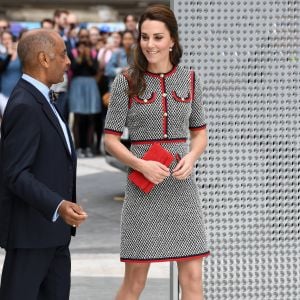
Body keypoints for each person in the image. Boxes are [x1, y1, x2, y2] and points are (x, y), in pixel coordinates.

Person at [104, 4, 210, 300]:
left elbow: (200, 133)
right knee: (135, 283)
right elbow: (110, 140)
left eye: (158, 37)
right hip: (143, 192)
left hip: (182, 190)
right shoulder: (125, 81)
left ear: (172, 40)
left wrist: (191, 156)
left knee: (192, 279)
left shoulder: (190, 78)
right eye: (145, 37)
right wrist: (140, 164)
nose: (150, 44)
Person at [0, 29, 88, 299]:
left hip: (54, 235)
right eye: (63, 54)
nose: (68, 61)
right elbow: (15, 173)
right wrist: (58, 205)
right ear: (43, 59)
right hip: (31, 237)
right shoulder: (25, 104)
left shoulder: (42, 98)